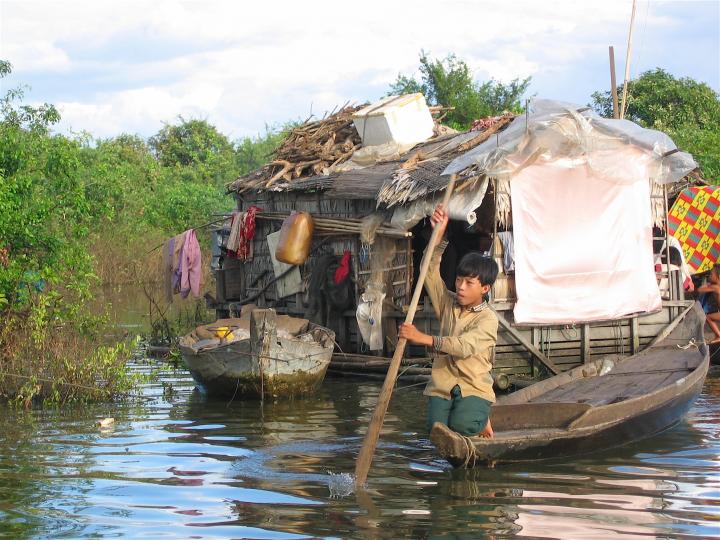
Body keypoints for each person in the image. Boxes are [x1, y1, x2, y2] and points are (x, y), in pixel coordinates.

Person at [399, 203, 499, 439]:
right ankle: (474, 417)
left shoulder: (488, 319)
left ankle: (480, 417)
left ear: (484, 288)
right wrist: (438, 236)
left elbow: (464, 347)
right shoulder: (448, 303)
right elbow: (428, 269)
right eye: (459, 280)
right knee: (437, 432)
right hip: (443, 385)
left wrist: (422, 338)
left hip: (473, 385)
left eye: (469, 283)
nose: (461, 287)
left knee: (463, 427)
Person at [696, 264, 720, 344]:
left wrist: (708, 284)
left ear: (718, 277)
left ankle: (719, 336)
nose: (709, 276)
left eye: (711, 274)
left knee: (708, 317)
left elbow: (700, 290)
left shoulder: (715, 287)